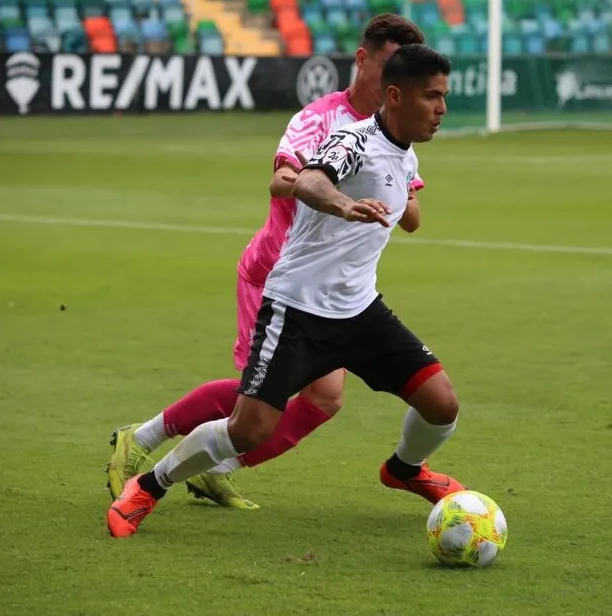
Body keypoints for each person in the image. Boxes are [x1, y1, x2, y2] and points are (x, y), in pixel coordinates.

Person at [107, 43, 462, 539]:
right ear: (397, 96)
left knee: (442, 404)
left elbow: (405, 209)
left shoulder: (406, 155)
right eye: (432, 96)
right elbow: (309, 180)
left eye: (444, 96)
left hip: (360, 312)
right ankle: (148, 486)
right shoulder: (353, 140)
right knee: (249, 429)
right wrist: (343, 204)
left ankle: (404, 469)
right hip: (297, 310)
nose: (442, 109)